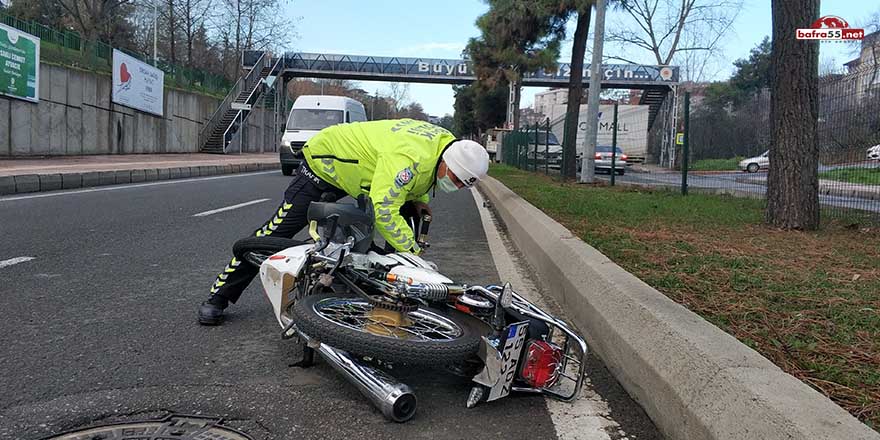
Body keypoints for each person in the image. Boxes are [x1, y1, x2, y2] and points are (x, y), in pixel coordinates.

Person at [198, 118, 490, 325]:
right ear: (446, 164)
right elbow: (385, 204)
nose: (458, 188)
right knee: (276, 231)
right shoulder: (410, 157)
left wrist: (417, 200)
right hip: (326, 164)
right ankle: (218, 297)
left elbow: (416, 180)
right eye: (455, 180)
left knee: (398, 236)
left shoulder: (446, 146)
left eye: (465, 185)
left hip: (362, 174)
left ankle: (383, 301)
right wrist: (412, 251)